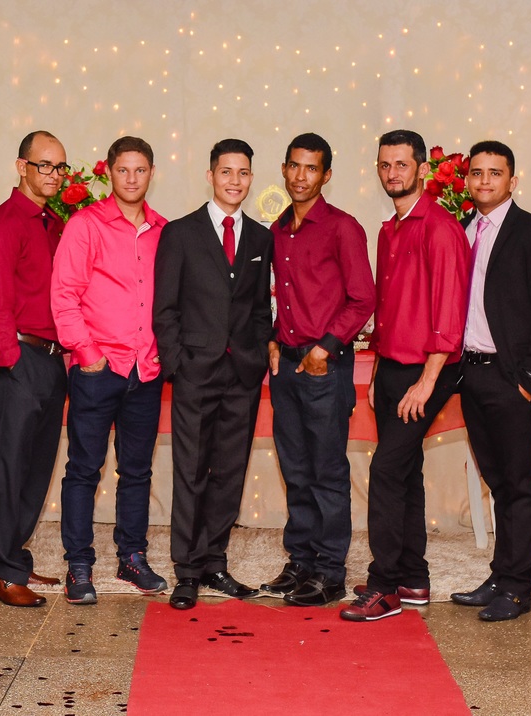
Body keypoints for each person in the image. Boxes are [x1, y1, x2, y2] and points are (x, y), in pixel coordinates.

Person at [341, 130, 469, 622]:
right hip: (393, 366)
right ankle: (413, 578)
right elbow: (390, 309)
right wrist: (378, 371)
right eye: (384, 164)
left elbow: (450, 312)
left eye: (401, 164)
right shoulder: (388, 230)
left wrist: (427, 380)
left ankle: (384, 586)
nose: (392, 173)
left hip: (428, 369)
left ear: (422, 168)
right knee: (406, 471)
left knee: (386, 471)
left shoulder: (440, 228)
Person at [450, 140, 531, 621]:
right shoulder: (462, 231)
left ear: (512, 180)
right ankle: (500, 576)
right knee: (497, 481)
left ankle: (518, 588)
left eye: (495, 173)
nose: (484, 181)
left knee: (520, 485)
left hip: (512, 380)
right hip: (472, 375)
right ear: (467, 180)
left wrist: (528, 382)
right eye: (477, 173)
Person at [153, 139, 274, 610]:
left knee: (229, 471)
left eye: (243, 173)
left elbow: (260, 309)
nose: (234, 181)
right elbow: (165, 308)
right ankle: (186, 570)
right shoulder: (180, 233)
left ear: (251, 178)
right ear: (210, 176)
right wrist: (178, 363)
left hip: (242, 374)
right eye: (226, 172)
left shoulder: (261, 238)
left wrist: (257, 356)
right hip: (195, 373)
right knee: (190, 471)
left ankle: (214, 561)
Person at [51, 136, 169, 605]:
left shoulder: (163, 230)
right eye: (123, 170)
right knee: (84, 469)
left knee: (137, 471)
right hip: (98, 369)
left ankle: (132, 557)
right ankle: (79, 564)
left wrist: (161, 354)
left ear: (152, 173)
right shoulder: (85, 225)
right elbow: (64, 295)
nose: (132, 179)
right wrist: (88, 354)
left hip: (146, 369)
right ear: (110, 173)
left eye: (140, 170)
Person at [260, 132, 374, 607]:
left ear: (326, 175)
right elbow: (283, 297)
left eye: (311, 168)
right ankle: (301, 561)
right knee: (295, 469)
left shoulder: (342, 227)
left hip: (323, 369)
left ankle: (330, 572)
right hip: (286, 367)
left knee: (326, 471)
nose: (300, 176)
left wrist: (324, 349)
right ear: (284, 169)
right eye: (294, 165)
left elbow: (363, 298)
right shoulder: (277, 229)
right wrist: (272, 337)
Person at [0, 130, 69, 608]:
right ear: (22, 167)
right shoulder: (4, 224)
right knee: (12, 468)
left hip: (52, 360)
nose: (53, 174)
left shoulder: (52, 224)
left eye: (59, 167)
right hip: (21, 358)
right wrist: (8, 363)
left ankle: (15, 559)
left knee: (37, 467)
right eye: (44, 165)